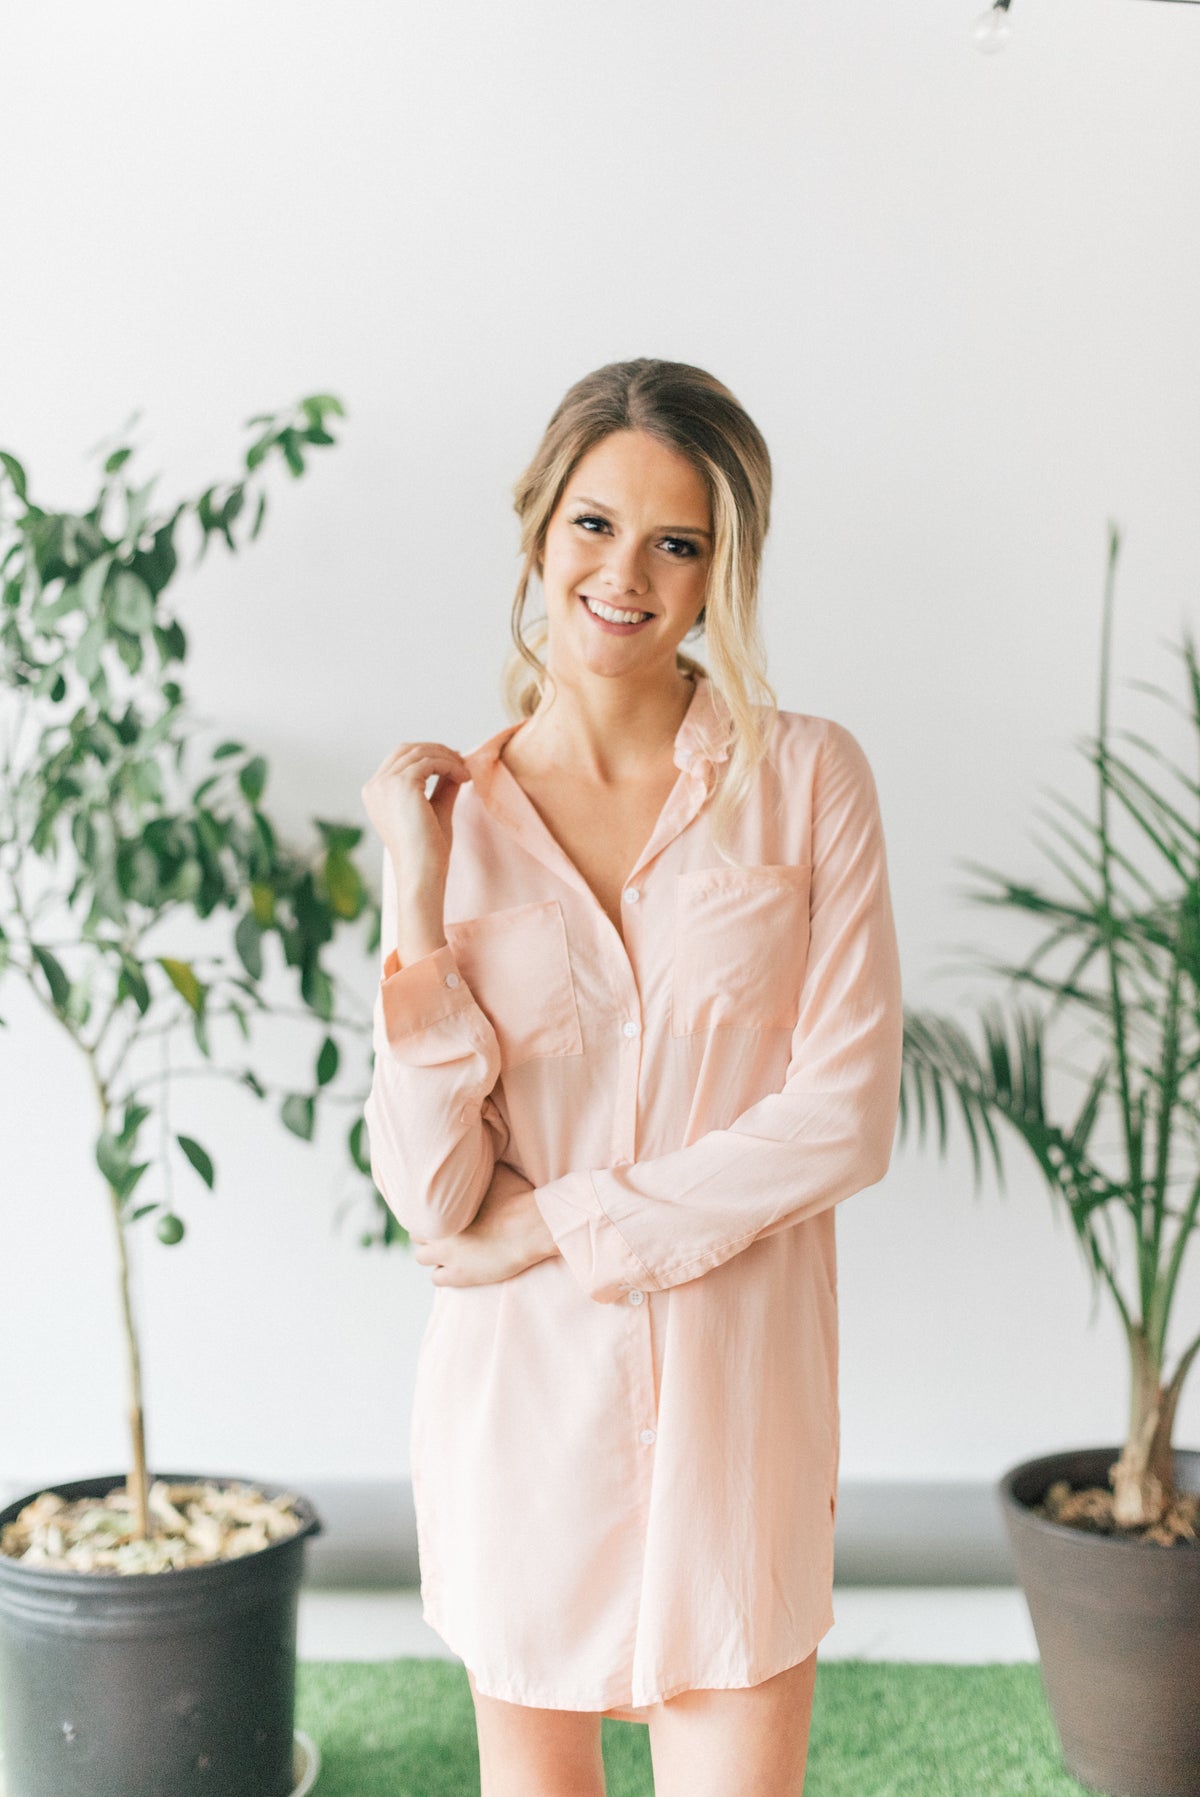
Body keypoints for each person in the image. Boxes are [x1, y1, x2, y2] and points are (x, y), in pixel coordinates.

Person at [361, 357, 904, 1797]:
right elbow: (433, 1197)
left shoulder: (807, 781)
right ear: (540, 528)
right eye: (596, 525)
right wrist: (415, 907)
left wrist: (562, 1217)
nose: (628, 573)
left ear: (724, 570)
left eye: (681, 542)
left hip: (739, 1427)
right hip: (520, 1420)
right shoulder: (453, 826)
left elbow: (843, 1121)